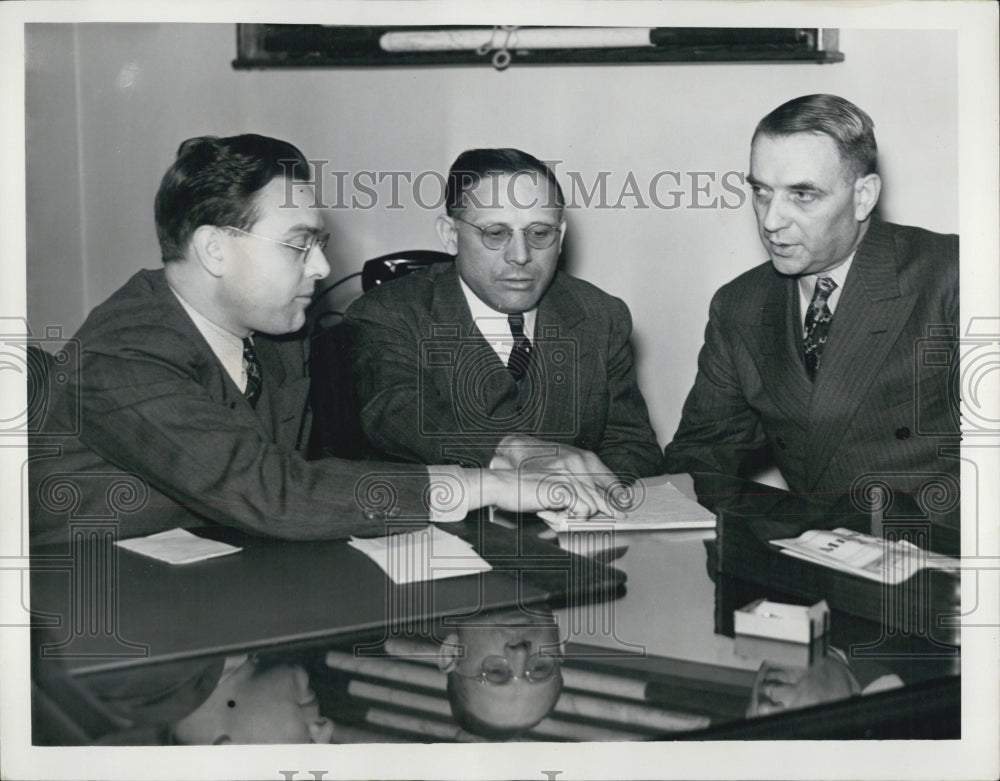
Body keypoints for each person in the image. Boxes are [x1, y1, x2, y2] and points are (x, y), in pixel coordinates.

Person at [28, 135, 618, 548]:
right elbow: (274, 492)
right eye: (298, 244)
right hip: (98, 624)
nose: (322, 267)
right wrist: (487, 483)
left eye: (320, 243)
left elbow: (335, 464)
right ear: (214, 249)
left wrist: (501, 455)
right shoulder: (123, 355)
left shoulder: (279, 335)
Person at [664, 95, 960, 527]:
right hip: (811, 550)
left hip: (942, 548)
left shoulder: (952, 274)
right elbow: (699, 460)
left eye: (802, 195)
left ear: (863, 196)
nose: (771, 221)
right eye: (761, 192)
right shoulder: (739, 304)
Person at [344, 148, 664, 488]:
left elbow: (634, 449)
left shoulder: (600, 316)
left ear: (560, 237)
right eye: (496, 233)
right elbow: (396, 413)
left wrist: (584, 495)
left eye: (539, 233)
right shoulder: (388, 313)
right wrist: (508, 452)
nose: (521, 256)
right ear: (450, 236)